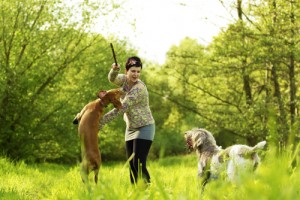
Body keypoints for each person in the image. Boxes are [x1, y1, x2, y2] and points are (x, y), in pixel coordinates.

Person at [99, 56, 155, 185]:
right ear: (126, 71)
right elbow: (112, 78)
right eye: (133, 71)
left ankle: (147, 191)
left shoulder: (139, 89)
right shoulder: (124, 80)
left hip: (144, 127)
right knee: (132, 165)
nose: (136, 74)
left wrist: (100, 122)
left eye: (138, 71)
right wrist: (114, 70)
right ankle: (136, 194)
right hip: (130, 128)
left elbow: (121, 109)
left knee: (138, 163)